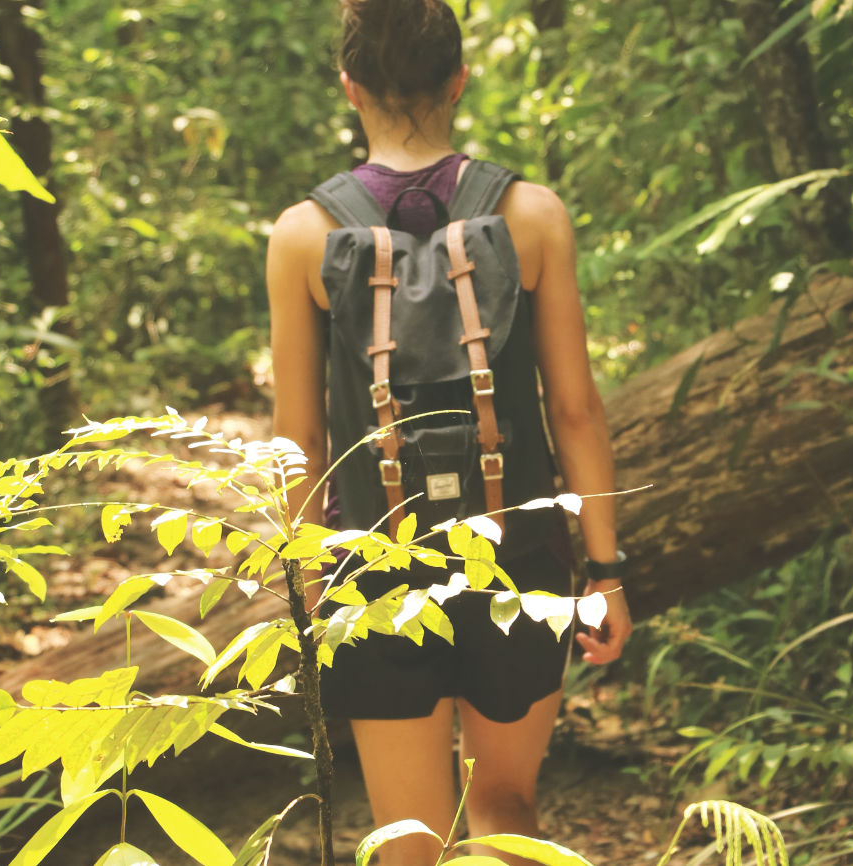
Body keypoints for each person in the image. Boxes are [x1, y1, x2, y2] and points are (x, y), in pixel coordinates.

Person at [266, 2, 633, 864]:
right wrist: (607, 572)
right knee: (506, 808)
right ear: (459, 80)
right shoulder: (534, 215)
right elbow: (575, 411)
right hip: (523, 560)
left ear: (349, 88)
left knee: (410, 846)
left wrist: (308, 591)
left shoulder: (303, 237)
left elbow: (299, 443)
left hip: (376, 574)